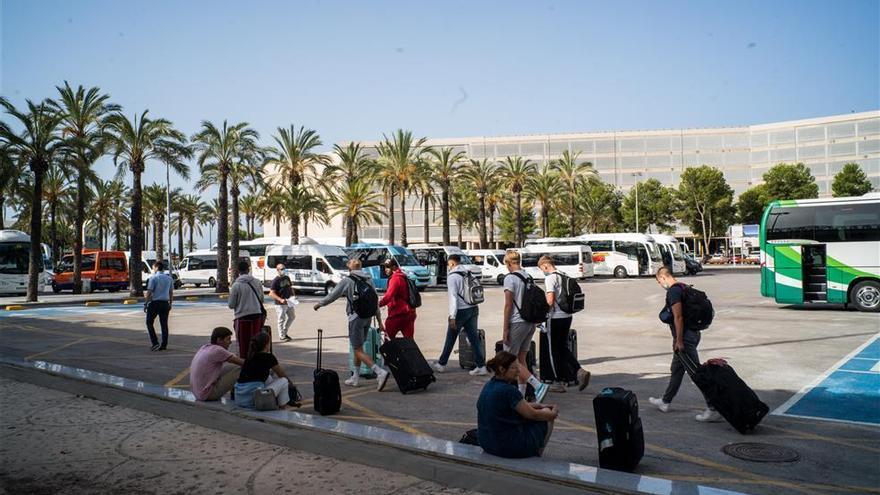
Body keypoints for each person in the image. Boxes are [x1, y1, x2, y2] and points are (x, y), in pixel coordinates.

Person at [649, 266, 722, 422]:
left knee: (696, 373)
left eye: (659, 281)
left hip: (685, 339)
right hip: (694, 334)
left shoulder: (674, 291)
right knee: (676, 369)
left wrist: (679, 340)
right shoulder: (685, 287)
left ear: (663, 278)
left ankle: (713, 407)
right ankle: (665, 401)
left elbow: (678, 317)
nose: (660, 285)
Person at [313, 258, 390, 391]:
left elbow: (333, 295)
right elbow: (375, 301)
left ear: (350, 269)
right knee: (358, 348)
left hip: (355, 318)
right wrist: (379, 321)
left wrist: (320, 304)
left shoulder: (348, 281)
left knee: (357, 349)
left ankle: (379, 372)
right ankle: (355, 377)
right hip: (368, 317)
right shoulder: (369, 279)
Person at [477, 351, 558, 458]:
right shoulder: (509, 390)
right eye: (514, 368)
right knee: (546, 414)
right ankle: (536, 453)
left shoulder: (489, 385)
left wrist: (539, 405)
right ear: (502, 369)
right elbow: (533, 415)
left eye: (518, 367)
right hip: (507, 447)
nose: (518, 371)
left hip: (487, 443)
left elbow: (519, 406)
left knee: (541, 410)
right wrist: (552, 415)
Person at [501, 249, 549, 402]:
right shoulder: (527, 276)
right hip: (530, 322)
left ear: (508, 263)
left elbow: (508, 304)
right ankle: (521, 396)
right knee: (521, 360)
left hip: (517, 322)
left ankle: (537, 385)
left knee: (510, 360)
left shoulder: (510, 279)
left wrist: (505, 328)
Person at [538, 255, 591, 393]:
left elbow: (550, 300)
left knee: (552, 351)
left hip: (555, 317)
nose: (542, 271)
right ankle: (579, 371)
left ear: (545, 266)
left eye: (541, 269)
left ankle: (555, 382)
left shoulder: (550, 278)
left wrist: (544, 315)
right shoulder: (563, 274)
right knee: (562, 347)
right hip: (567, 316)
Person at [432, 254, 487, 375]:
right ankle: (481, 366)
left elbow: (453, 298)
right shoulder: (468, 272)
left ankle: (441, 364)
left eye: (448, 265)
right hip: (473, 308)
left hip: (461, 311)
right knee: (473, 338)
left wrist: (452, 316)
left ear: (451, 263)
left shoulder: (452, 277)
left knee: (451, 337)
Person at [234, 332, 298, 409]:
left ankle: (276, 401)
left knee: (268, 377)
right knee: (284, 381)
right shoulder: (269, 357)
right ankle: (282, 408)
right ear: (266, 345)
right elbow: (281, 374)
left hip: (239, 398)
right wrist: (291, 385)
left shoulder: (250, 356)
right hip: (254, 400)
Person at [190, 327, 244, 401]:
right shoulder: (218, 350)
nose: (230, 342)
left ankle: (234, 392)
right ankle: (246, 393)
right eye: (228, 339)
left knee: (233, 367)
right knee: (242, 369)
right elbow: (242, 362)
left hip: (197, 392)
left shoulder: (205, 347)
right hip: (207, 394)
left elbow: (233, 359)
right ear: (219, 340)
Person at [228, 260, 266, 359]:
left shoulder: (236, 285)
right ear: (248, 269)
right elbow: (261, 299)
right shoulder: (257, 282)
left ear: (238, 271)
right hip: (257, 316)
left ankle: (245, 364)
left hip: (242, 318)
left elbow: (231, 305)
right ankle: (256, 361)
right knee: (256, 342)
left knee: (243, 343)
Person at [378, 258, 417, 339]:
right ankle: (409, 352)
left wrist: (378, 304)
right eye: (384, 267)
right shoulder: (403, 275)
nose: (386, 270)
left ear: (394, 267)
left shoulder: (395, 278)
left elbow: (388, 296)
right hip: (409, 312)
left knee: (388, 340)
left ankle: (390, 352)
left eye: (388, 267)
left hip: (397, 314)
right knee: (409, 342)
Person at [145, 260, 174, 351]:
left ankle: (155, 343)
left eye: (153, 267)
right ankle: (164, 345)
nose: (153, 269)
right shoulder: (169, 278)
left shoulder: (153, 278)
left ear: (157, 268)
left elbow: (149, 292)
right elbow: (171, 292)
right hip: (165, 303)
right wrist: (170, 303)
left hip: (155, 303)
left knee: (149, 322)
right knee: (164, 325)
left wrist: (146, 303)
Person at [268, 263, 295, 342]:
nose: (284, 270)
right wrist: (280, 299)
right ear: (278, 270)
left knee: (292, 316)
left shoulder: (287, 278)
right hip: (280, 304)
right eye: (282, 269)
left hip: (289, 301)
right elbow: (271, 293)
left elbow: (290, 287)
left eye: (284, 268)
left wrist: (293, 295)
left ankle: (284, 332)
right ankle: (282, 336)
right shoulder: (275, 280)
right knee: (281, 319)